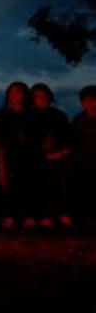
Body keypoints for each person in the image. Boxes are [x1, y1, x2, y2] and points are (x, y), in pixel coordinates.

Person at [0, 81, 41, 230]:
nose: (15, 95)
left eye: (18, 91)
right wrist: (0, 163)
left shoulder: (33, 115)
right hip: (10, 155)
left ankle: (30, 215)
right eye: (12, 91)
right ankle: (9, 215)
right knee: (10, 184)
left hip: (30, 155)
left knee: (30, 184)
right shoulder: (2, 117)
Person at [30, 83, 74, 228]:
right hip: (37, 159)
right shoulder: (29, 117)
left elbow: (69, 138)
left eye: (44, 96)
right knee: (42, 182)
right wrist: (43, 154)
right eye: (37, 96)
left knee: (64, 181)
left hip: (61, 157)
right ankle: (45, 214)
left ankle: (64, 213)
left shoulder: (58, 115)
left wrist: (61, 152)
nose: (41, 99)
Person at [72, 85, 96, 223]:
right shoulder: (79, 120)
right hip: (84, 163)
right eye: (86, 100)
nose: (90, 103)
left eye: (92, 99)